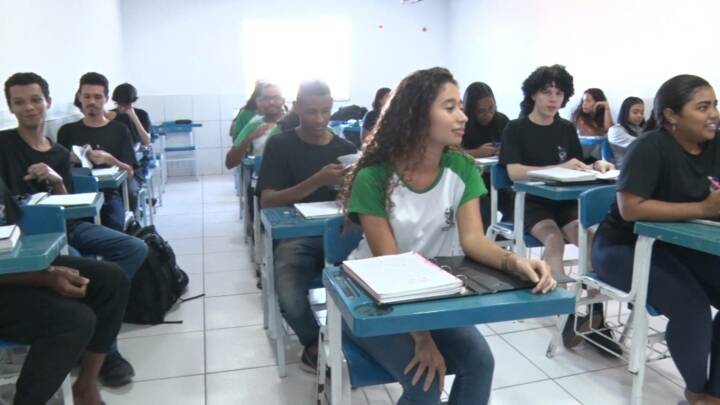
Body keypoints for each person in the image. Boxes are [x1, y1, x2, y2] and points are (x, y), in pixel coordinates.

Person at [341, 67, 556, 405]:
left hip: (432, 295)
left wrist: (516, 263)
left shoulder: (462, 168)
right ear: (417, 116)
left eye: (461, 107)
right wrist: (422, 338)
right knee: (425, 385)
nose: (463, 117)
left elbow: (474, 240)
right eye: (450, 107)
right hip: (373, 299)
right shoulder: (374, 178)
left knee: (480, 364)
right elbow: (391, 268)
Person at [2, 72, 147, 387]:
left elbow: (66, 202)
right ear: (10, 107)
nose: (29, 108)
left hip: (68, 225)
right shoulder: (3, 146)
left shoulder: (57, 151)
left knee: (134, 247)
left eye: (36, 100)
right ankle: (107, 352)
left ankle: (94, 322)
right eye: (19, 102)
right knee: (84, 268)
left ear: (48, 102)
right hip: (29, 237)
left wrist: (56, 180)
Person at [592, 74, 720, 405]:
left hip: (681, 243)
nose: (713, 114)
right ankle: (696, 393)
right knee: (692, 309)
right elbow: (630, 209)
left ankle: (714, 394)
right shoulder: (649, 148)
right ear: (671, 115)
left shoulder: (716, 144)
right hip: (624, 246)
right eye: (702, 107)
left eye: (715, 105)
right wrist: (704, 208)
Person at [499, 64, 619, 355]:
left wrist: (597, 164)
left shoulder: (565, 129)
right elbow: (514, 172)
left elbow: (576, 164)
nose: (553, 99)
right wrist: (558, 166)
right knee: (553, 240)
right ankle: (566, 314)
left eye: (559, 93)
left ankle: (595, 314)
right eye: (547, 92)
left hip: (563, 201)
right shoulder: (516, 128)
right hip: (530, 201)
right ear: (533, 94)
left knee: (589, 238)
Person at [0, 176, 130, 405]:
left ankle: (86, 385)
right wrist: (42, 277)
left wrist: (44, 268)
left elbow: (14, 231)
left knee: (111, 280)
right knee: (74, 320)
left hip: (11, 268)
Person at [256, 80, 356, 372]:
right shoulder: (280, 145)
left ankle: (358, 339)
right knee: (288, 289)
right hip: (296, 238)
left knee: (373, 273)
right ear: (297, 108)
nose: (319, 119)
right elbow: (268, 201)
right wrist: (318, 180)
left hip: (340, 234)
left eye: (325, 111)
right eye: (311, 111)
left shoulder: (345, 148)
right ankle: (313, 342)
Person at [58, 72, 140, 231]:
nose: (91, 102)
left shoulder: (119, 130)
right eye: (87, 96)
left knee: (114, 225)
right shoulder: (66, 131)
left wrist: (110, 160)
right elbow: (58, 172)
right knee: (72, 230)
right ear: (79, 97)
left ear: (106, 99)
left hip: (109, 195)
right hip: (76, 195)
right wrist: (70, 159)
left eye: (97, 97)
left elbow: (130, 172)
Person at [461, 81, 512, 228]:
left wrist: (506, 151)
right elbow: (451, 152)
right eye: (481, 111)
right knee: (484, 209)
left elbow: (515, 147)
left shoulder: (502, 120)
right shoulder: (462, 123)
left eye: (491, 108)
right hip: (472, 180)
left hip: (497, 179)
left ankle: (499, 238)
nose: (488, 115)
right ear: (471, 111)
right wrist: (477, 153)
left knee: (516, 203)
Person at [224, 83, 285, 169]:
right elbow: (229, 163)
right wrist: (249, 138)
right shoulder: (254, 125)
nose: (271, 102)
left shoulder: (291, 122)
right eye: (266, 98)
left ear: (283, 101)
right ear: (259, 101)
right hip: (262, 175)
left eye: (276, 98)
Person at [106, 83, 151, 147]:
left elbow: (146, 141)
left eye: (126, 105)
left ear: (133, 102)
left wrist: (134, 117)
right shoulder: (110, 114)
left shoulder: (142, 114)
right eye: (120, 104)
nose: (123, 108)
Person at [607, 97, 645, 168]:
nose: (640, 115)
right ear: (625, 112)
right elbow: (640, 145)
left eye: (642, 113)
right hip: (626, 169)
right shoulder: (615, 130)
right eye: (635, 112)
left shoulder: (640, 129)